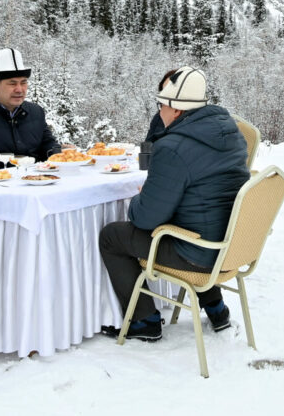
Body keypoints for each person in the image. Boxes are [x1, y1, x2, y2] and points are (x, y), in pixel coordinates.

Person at [99, 66, 249, 341]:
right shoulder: (232, 134)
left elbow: (145, 219)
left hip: (198, 254)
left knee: (112, 236)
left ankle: (144, 320)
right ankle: (215, 307)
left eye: (161, 105)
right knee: (200, 218)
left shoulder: (173, 148)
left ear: (177, 110)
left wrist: (138, 198)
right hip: (231, 245)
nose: (159, 112)